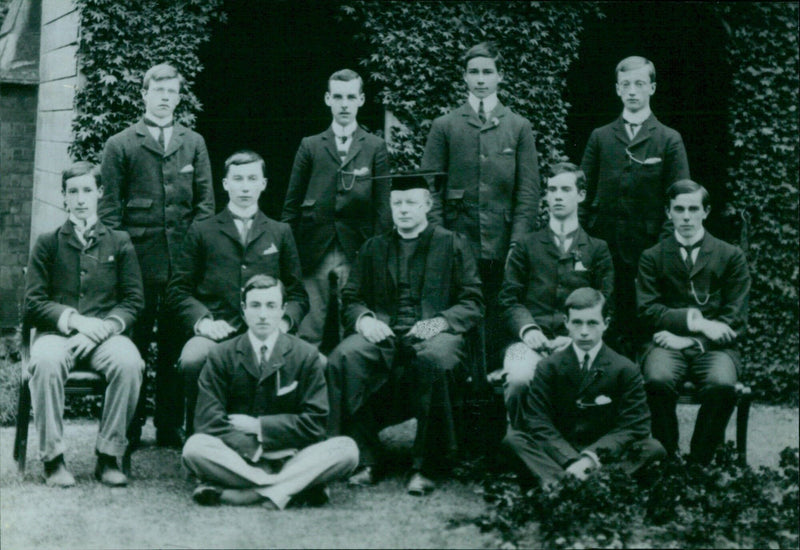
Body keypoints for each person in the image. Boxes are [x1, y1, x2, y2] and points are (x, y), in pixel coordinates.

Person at [326, 173, 484, 496]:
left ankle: (425, 466)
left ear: (428, 204)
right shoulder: (373, 247)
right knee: (346, 356)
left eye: (411, 202)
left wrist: (438, 323)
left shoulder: (452, 244)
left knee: (436, 359)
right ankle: (364, 457)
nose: (404, 209)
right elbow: (353, 298)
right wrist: (366, 321)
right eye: (397, 203)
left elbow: (473, 302)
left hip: (433, 332)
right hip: (385, 333)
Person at [99, 62, 215, 447]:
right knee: (132, 341)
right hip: (137, 262)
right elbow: (111, 212)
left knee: (175, 344)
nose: (165, 98)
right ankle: (130, 427)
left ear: (179, 97)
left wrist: (196, 254)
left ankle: (169, 425)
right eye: (158, 90)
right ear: (144, 94)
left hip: (182, 263)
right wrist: (122, 261)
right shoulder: (121, 144)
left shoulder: (193, 142)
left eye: (171, 91)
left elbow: (205, 206)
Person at [181, 275, 359, 509]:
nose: (263, 314)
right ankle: (285, 488)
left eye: (271, 305)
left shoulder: (305, 355)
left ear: (283, 310)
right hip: (239, 453)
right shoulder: (221, 355)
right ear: (244, 310)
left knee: (347, 449)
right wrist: (254, 451)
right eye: (255, 305)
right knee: (195, 448)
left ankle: (250, 494)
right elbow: (208, 421)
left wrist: (260, 427)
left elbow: (316, 423)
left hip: (293, 454)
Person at [166, 150, 309, 436]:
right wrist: (204, 323)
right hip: (218, 331)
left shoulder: (280, 232)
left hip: (266, 330)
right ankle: (201, 435)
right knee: (194, 358)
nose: (245, 186)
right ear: (225, 184)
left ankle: (274, 437)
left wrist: (282, 324)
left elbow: (298, 295)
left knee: (305, 360)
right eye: (238, 179)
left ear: (264, 184)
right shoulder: (202, 230)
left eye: (252, 179)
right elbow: (178, 290)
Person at [23, 161, 145, 487]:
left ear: (100, 193)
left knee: (130, 362)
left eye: (87, 190)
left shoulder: (119, 242)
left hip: (105, 336)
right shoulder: (48, 243)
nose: (80, 199)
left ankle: (108, 456)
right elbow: (33, 303)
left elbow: (133, 301)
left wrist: (102, 329)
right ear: (64, 197)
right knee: (45, 362)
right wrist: (75, 321)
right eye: (73, 191)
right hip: (58, 333)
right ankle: (53, 459)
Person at [421, 41, 540, 367]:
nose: (481, 79)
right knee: (461, 316)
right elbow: (429, 189)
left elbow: (528, 192)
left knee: (500, 314)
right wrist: (440, 240)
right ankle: (463, 394)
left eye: (488, 71)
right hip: (458, 242)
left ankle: (495, 392)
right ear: (464, 77)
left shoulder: (518, 127)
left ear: (500, 76)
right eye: (474, 72)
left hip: (502, 245)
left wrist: (517, 242)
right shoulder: (445, 125)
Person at [580, 56, 690, 358]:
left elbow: (679, 203)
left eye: (639, 83)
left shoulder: (669, 139)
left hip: (649, 251)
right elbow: (582, 196)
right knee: (605, 318)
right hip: (605, 250)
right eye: (625, 84)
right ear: (617, 89)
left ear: (652, 88)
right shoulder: (601, 137)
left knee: (644, 326)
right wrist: (587, 242)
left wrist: (662, 252)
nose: (632, 90)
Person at [504, 288, 665, 488]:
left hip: (603, 455)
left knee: (652, 448)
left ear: (606, 324)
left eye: (592, 323)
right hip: (560, 452)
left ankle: (561, 484)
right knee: (514, 439)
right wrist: (572, 461)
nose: (584, 332)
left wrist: (589, 459)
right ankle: (589, 484)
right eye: (577, 322)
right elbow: (538, 422)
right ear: (566, 322)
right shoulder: (548, 366)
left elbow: (635, 425)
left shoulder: (625, 368)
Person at [637, 180, 750, 464]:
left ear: (706, 212)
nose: (686, 216)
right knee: (656, 379)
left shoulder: (730, 255)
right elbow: (648, 311)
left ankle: (698, 462)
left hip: (714, 347)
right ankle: (667, 458)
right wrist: (697, 322)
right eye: (679, 209)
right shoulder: (652, 257)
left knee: (722, 384)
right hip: (665, 346)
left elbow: (735, 317)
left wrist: (691, 339)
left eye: (693, 209)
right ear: (668, 212)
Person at [497, 162, 614, 429]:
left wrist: (575, 336)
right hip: (527, 342)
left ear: (581, 195)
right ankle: (522, 445)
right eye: (552, 190)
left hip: (579, 341)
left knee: (583, 384)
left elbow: (606, 305)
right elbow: (508, 299)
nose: (558, 196)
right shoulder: (526, 246)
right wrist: (528, 330)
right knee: (517, 378)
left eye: (565, 189)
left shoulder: (597, 249)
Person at [281, 68, 391, 349]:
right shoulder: (311, 146)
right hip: (313, 250)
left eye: (351, 97)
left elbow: (382, 208)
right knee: (308, 330)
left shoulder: (376, 147)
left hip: (357, 250)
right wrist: (289, 254)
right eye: (338, 97)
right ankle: (306, 388)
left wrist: (377, 254)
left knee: (354, 329)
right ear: (328, 99)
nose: (344, 104)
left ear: (361, 100)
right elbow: (291, 206)